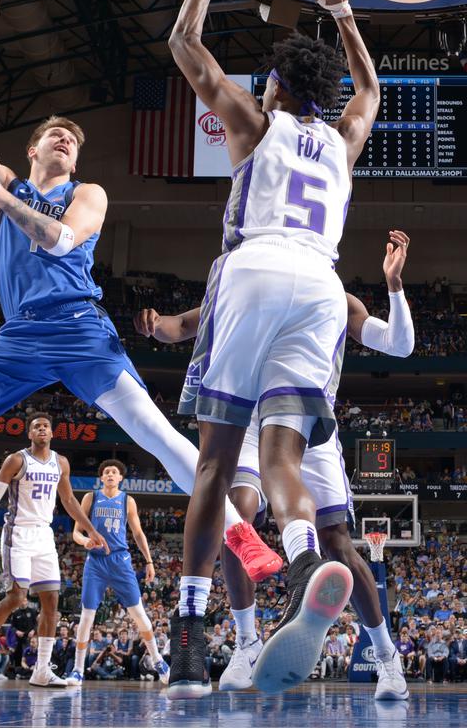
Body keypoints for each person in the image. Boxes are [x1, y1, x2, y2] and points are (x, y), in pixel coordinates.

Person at [0, 10, 279, 611]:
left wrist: (0, 199)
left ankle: (242, 535)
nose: (67, 141)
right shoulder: (7, 191)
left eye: (73, 139)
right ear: (32, 149)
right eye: (56, 135)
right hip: (20, 338)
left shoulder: (85, 194)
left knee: (155, 434)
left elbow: (61, 241)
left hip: (80, 332)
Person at [166, 0, 380, 697]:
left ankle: (189, 643)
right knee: (284, 457)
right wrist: (344, 12)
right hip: (322, 288)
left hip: (255, 271)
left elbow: (183, 44)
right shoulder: (343, 144)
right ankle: (300, 562)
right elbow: (371, 92)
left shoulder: (256, 127)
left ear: (278, 87)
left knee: (218, 466)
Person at [134, 230, 413, 701]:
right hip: (246, 423)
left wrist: (394, 286)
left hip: (305, 417)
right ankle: (247, 642)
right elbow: (181, 327)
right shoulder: (240, 291)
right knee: (236, 512)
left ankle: (386, 657)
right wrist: (153, 323)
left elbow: (398, 344)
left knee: (339, 545)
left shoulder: (328, 294)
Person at [0, 414, 107, 689]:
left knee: (52, 603)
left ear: (52, 433)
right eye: (36, 426)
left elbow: (69, 499)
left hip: (44, 535)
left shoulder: (60, 462)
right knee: (17, 598)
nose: (42, 429)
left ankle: (41, 670)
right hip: (18, 533)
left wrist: (90, 530)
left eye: (46, 426)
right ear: (30, 434)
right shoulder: (17, 460)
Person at [66, 459, 169, 687]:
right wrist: (85, 542)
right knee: (86, 617)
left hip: (120, 561)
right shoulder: (90, 498)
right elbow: (76, 533)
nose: (110, 474)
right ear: (101, 477)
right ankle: (77, 669)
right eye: (106, 472)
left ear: (120, 478)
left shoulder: (127, 500)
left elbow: (138, 533)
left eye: (114, 472)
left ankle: (158, 660)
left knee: (138, 613)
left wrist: (149, 561)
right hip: (96, 562)